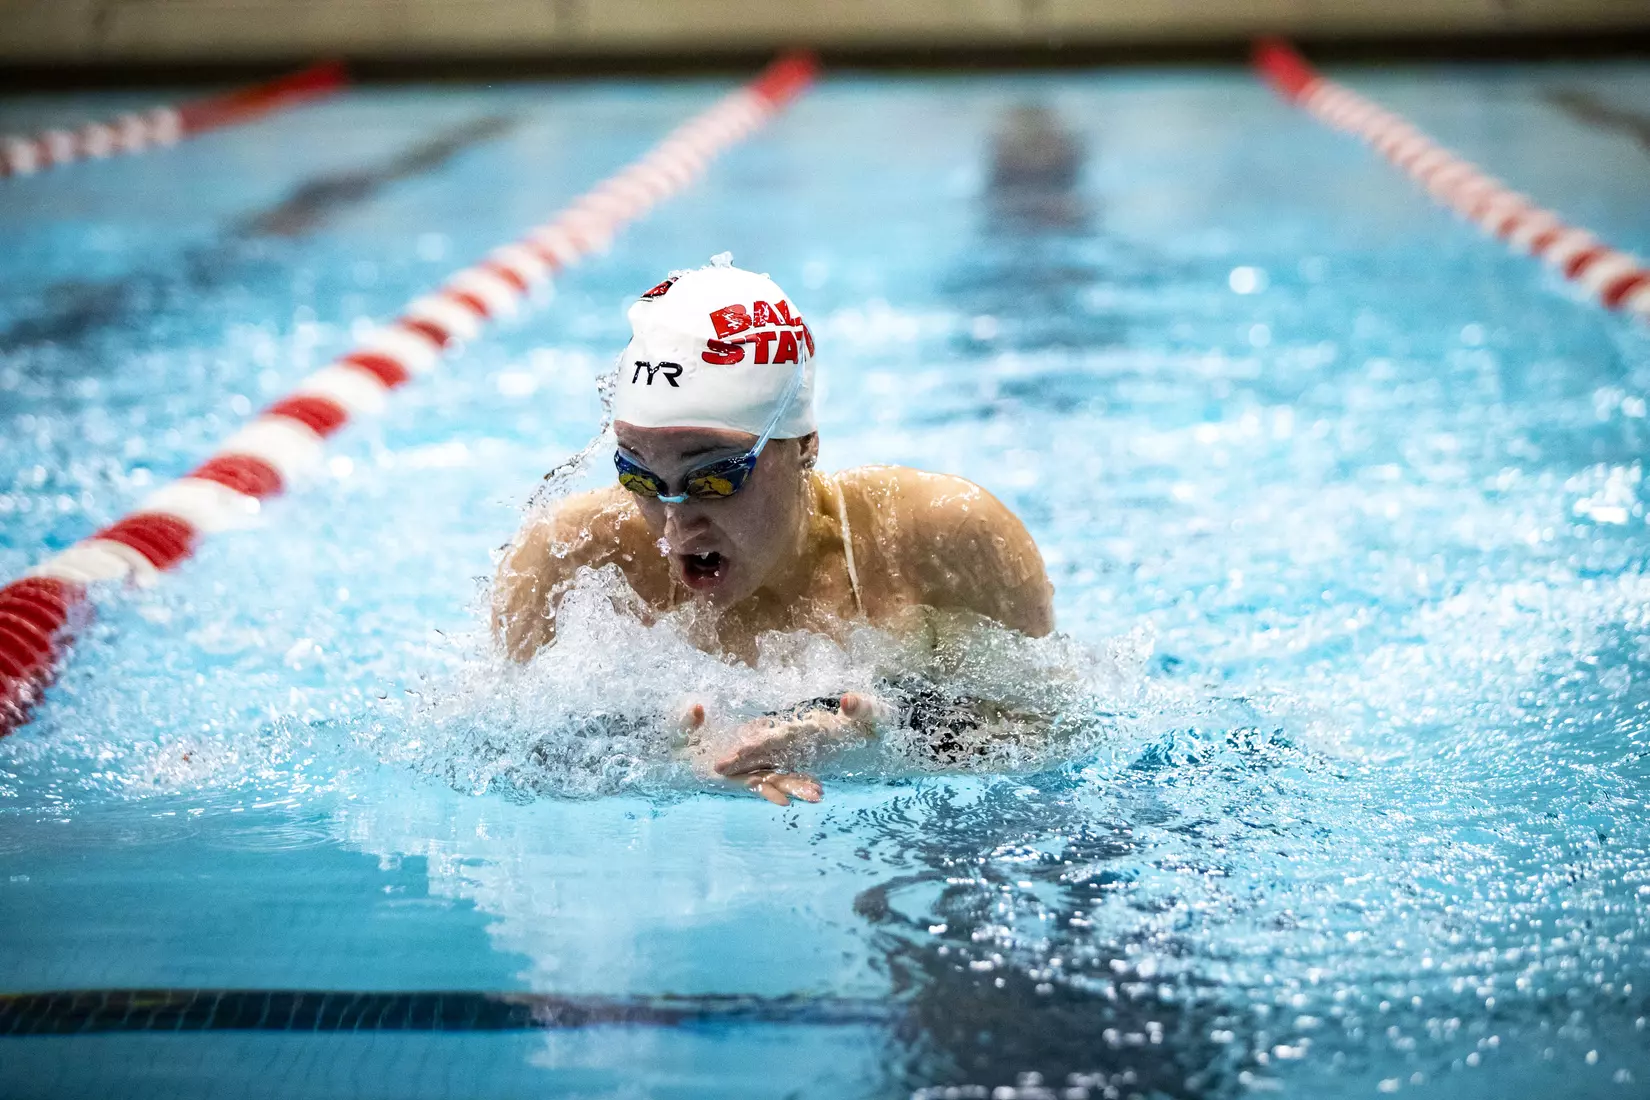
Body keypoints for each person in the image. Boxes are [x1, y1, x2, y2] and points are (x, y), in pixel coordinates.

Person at [493, 260, 1054, 805]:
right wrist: (655, 760)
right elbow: (492, 753)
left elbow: (1056, 732)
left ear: (806, 444)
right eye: (637, 475)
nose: (675, 520)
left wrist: (892, 739)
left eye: (715, 478)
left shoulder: (944, 536)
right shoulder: (569, 554)